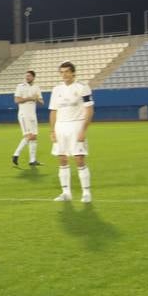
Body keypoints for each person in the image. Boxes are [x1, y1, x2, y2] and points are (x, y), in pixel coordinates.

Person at [49, 61, 94, 202]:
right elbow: (53, 111)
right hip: (60, 127)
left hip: (76, 125)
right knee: (62, 159)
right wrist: (52, 131)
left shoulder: (82, 87)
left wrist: (83, 130)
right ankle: (66, 193)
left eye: (67, 72)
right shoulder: (56, 89)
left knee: (79, 159)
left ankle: (86, 193)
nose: (64, 75)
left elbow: (89, 110)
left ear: (73, 73)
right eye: (61, 72)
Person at [12, 70, 42, 167]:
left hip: (33, 115)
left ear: (33, 77)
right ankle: (16, 154)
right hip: (24, 114)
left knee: (34, 136)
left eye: (29, 76)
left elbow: (42, 102)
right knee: (29, 136)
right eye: (26, 76)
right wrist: (29, 98)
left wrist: (37, 99)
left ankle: (32, 160)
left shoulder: (37, 87)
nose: (27, 77)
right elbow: (16, 100)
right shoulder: (20, 86)